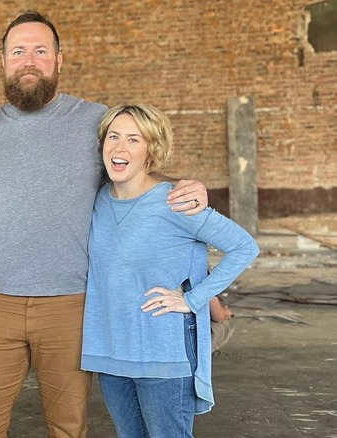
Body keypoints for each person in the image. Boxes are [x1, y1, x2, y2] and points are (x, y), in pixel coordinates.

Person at [0, 10, 209, 438]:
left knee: (68, 427)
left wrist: (189, 188)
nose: (29, 60)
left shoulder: (94, 122)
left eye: (41, 51)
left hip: (70, 303)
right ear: (2, 61)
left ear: (59, 60)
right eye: (18, 51)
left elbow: (136, 169)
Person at [81, 103, 259, 437]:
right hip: (110, 351)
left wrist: (193, 299)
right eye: (113, 137)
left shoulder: (175, 201)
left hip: (162, 353)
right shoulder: (97, 200)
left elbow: (244, 247)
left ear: (151, 150)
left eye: (134, 140)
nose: (120, 147)